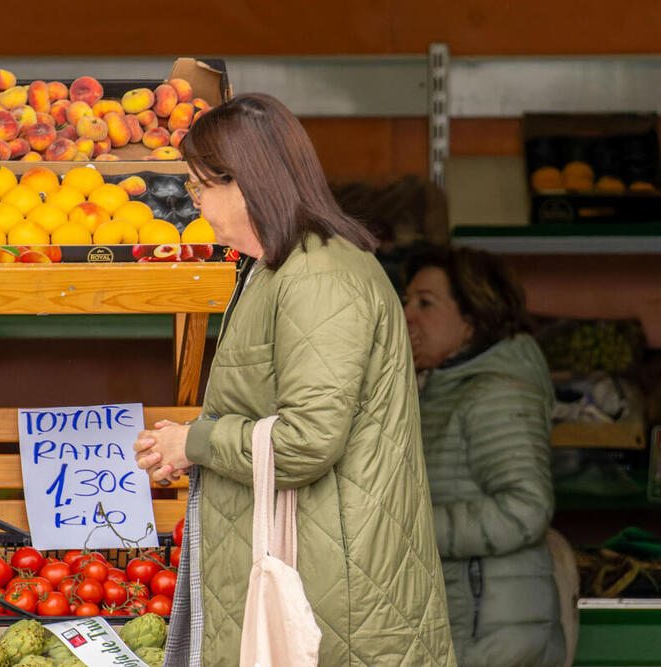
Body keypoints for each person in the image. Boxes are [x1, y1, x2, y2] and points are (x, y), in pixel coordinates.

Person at [133, 93, 455, 666]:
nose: (195, 201)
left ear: (245, 183)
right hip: (319, 576)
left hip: (334, 596)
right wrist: (192, 446)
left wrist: (197, 441)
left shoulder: (319, 277)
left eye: (201, 186)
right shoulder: (280, 269)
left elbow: (307, 440)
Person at [402, 244, 566, 666]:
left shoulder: (495, 392)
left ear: (473, 319)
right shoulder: (448, 387)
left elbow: (526, 509)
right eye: (406, 301)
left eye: (425, 303)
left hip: (496, 628)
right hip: (475, 620)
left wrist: (413, 528)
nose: (407, 317)